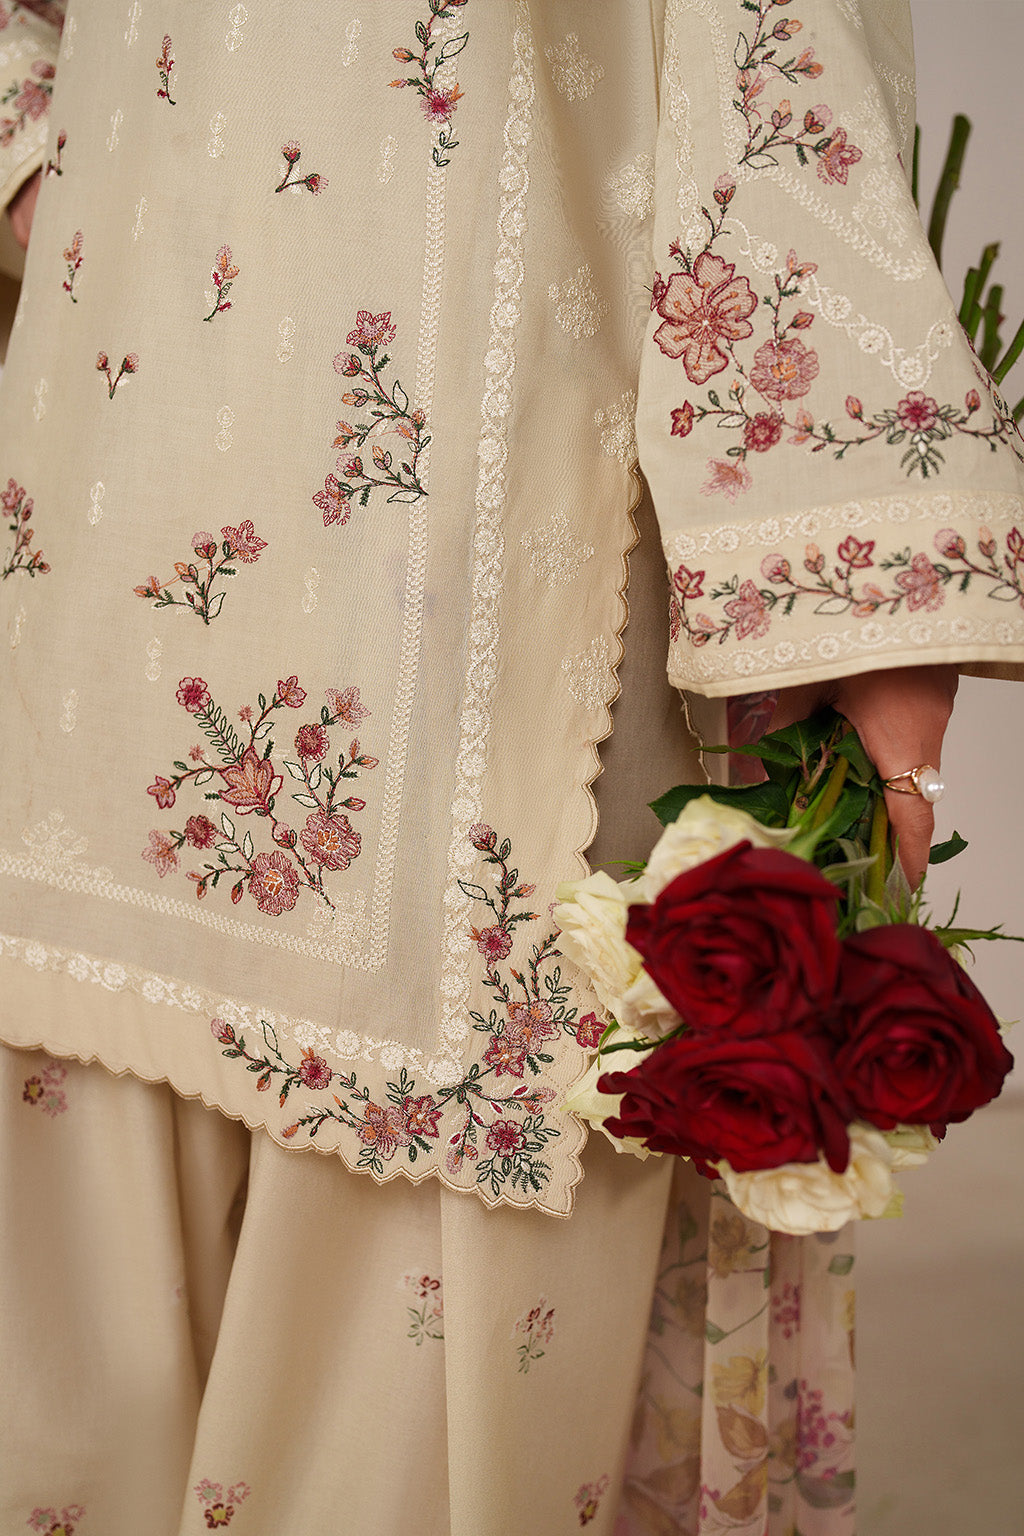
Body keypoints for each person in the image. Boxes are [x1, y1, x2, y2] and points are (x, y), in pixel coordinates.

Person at [0, 4, 1020, 1533]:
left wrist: (860, 590)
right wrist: (47, 157)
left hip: (484, 567)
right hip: (121, 459)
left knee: (423, 1223)